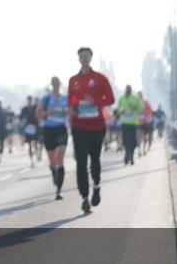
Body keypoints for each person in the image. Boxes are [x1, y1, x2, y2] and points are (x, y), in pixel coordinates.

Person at [67, 47, 115, 215]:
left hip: (96, 126)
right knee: (81, 161)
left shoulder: (100, 78)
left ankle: (96, 185)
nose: (84, 59)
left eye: (87, 56)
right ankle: (84, 198)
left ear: (91, 58)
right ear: (78, 59)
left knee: (94, 158)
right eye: (82, 56)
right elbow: (70, 101)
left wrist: (95, 101)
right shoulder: (73, 80)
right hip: (78, 126)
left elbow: (111, 99)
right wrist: (72, 109)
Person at [36, 76, 68, 200]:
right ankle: (54, 172)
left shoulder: (65, 98)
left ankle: (59, 191)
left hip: (61, 129)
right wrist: (46, 113)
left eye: (57, 83)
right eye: (53, 83)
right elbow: (38, 115)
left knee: (60, 158)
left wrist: (66, 112)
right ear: (51, 84)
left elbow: (71, 112)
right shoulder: (46, 98)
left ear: (60, 84)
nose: (55, 85)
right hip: (48, 130)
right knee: (52, 161)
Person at [116, 86, 142, 166]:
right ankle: (127, 153)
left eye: (129, 89)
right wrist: (120, 112)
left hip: (133, 123)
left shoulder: (135, 98)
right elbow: (118, 110)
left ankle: (131, 154)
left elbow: (140, 108)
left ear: (131, 90)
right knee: (125, 140)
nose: (128, 90)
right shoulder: (121, 98)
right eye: (127, 89)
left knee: (133, 141)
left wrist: (134, 108)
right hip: (124, 123)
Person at [18, 95, 41, 168]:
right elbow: (20, 118)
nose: (29, 102)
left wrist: (39, 121)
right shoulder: (24, 109)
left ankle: (37, 152)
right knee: (29, 145)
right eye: (28, 100)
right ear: (27, 101)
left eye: (30, 100)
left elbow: (39, 115)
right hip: (27, 128)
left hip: (35, 127)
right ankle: (31, 161)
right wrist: (22, 122)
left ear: (32, 101)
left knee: (36, 143)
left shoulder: (36, 107)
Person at [137, 92, 153, 157]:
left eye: (139, 95)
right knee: (138, 136)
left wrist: (146, 117)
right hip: (138, 122)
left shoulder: (146, 103)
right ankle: (139, 150)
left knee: (144, 137)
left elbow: (150, 112)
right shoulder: (135, 103)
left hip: (145, 122)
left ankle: (144, 149)